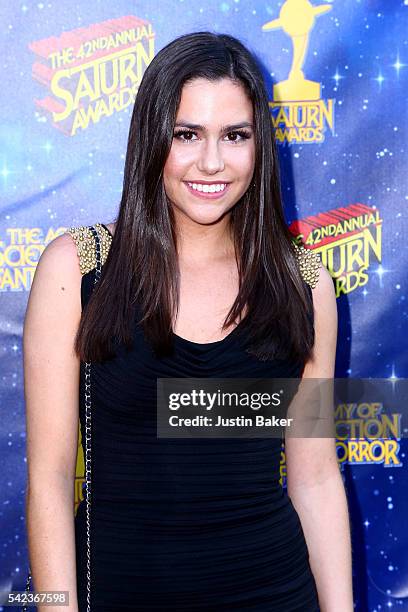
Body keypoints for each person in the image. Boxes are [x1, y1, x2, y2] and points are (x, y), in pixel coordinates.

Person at [23, 31, 353, 611]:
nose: (211, 162)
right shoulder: (77, 270)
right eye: (186, 134)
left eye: (235, 136)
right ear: (153, 140)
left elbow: (316, 478)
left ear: (260, 145)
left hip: (275, 593)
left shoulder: (306, 284)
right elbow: (49, 481)